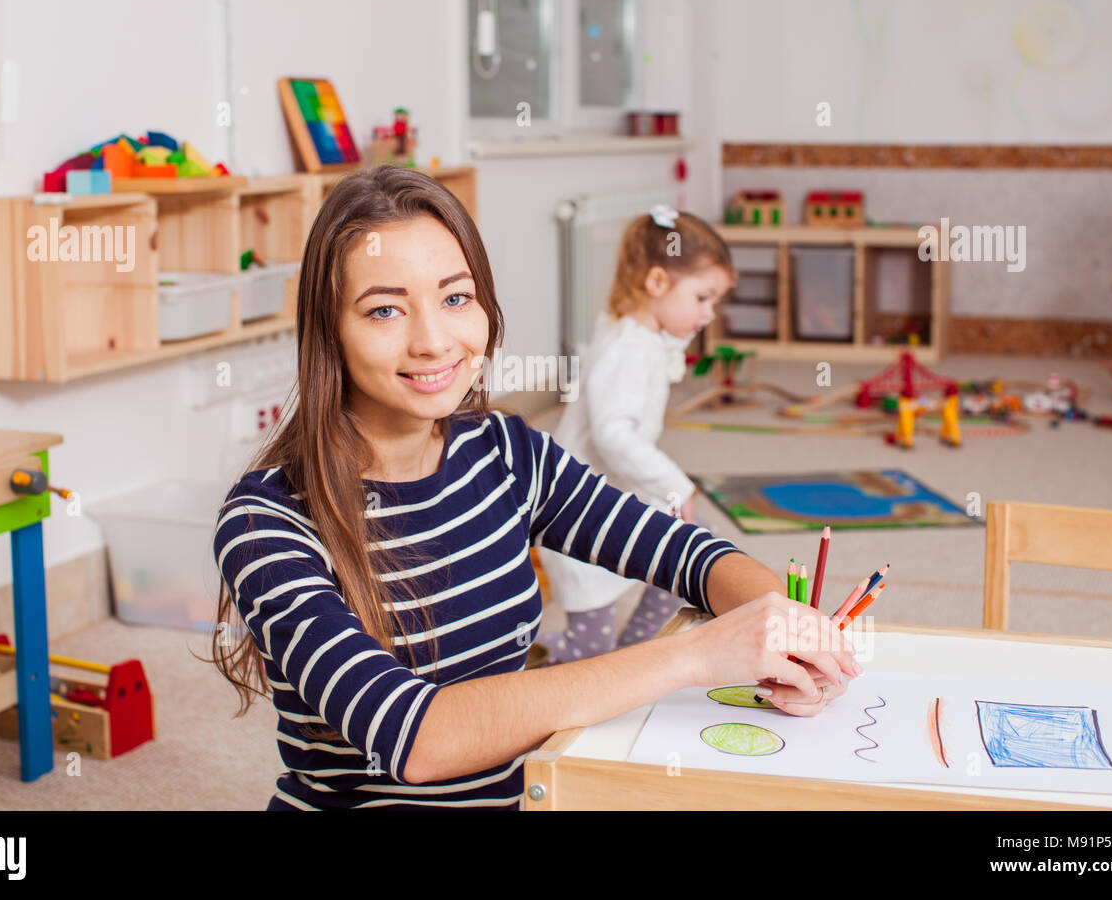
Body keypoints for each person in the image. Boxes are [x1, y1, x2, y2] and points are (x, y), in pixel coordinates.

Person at [210, 166, 859, 810]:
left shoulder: (507, 453)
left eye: (456, 298)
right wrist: (696, 656)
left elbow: (689, 555)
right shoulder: (266, 522)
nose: (435, 341)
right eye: (384, 309)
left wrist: (782, 631)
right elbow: (416, 738)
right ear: (330, 329)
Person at [535, 205, 736, 662]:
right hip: (577, 513)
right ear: (658, 283)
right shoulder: (629, 347)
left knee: (687, 548)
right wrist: (673, 483)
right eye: (703, 298)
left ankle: (636, 649)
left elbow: (667, 348)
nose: (709, 314)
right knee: (591, 646)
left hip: (614, 495)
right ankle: (552, 663)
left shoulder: (640, 333)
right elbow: (613, 435)